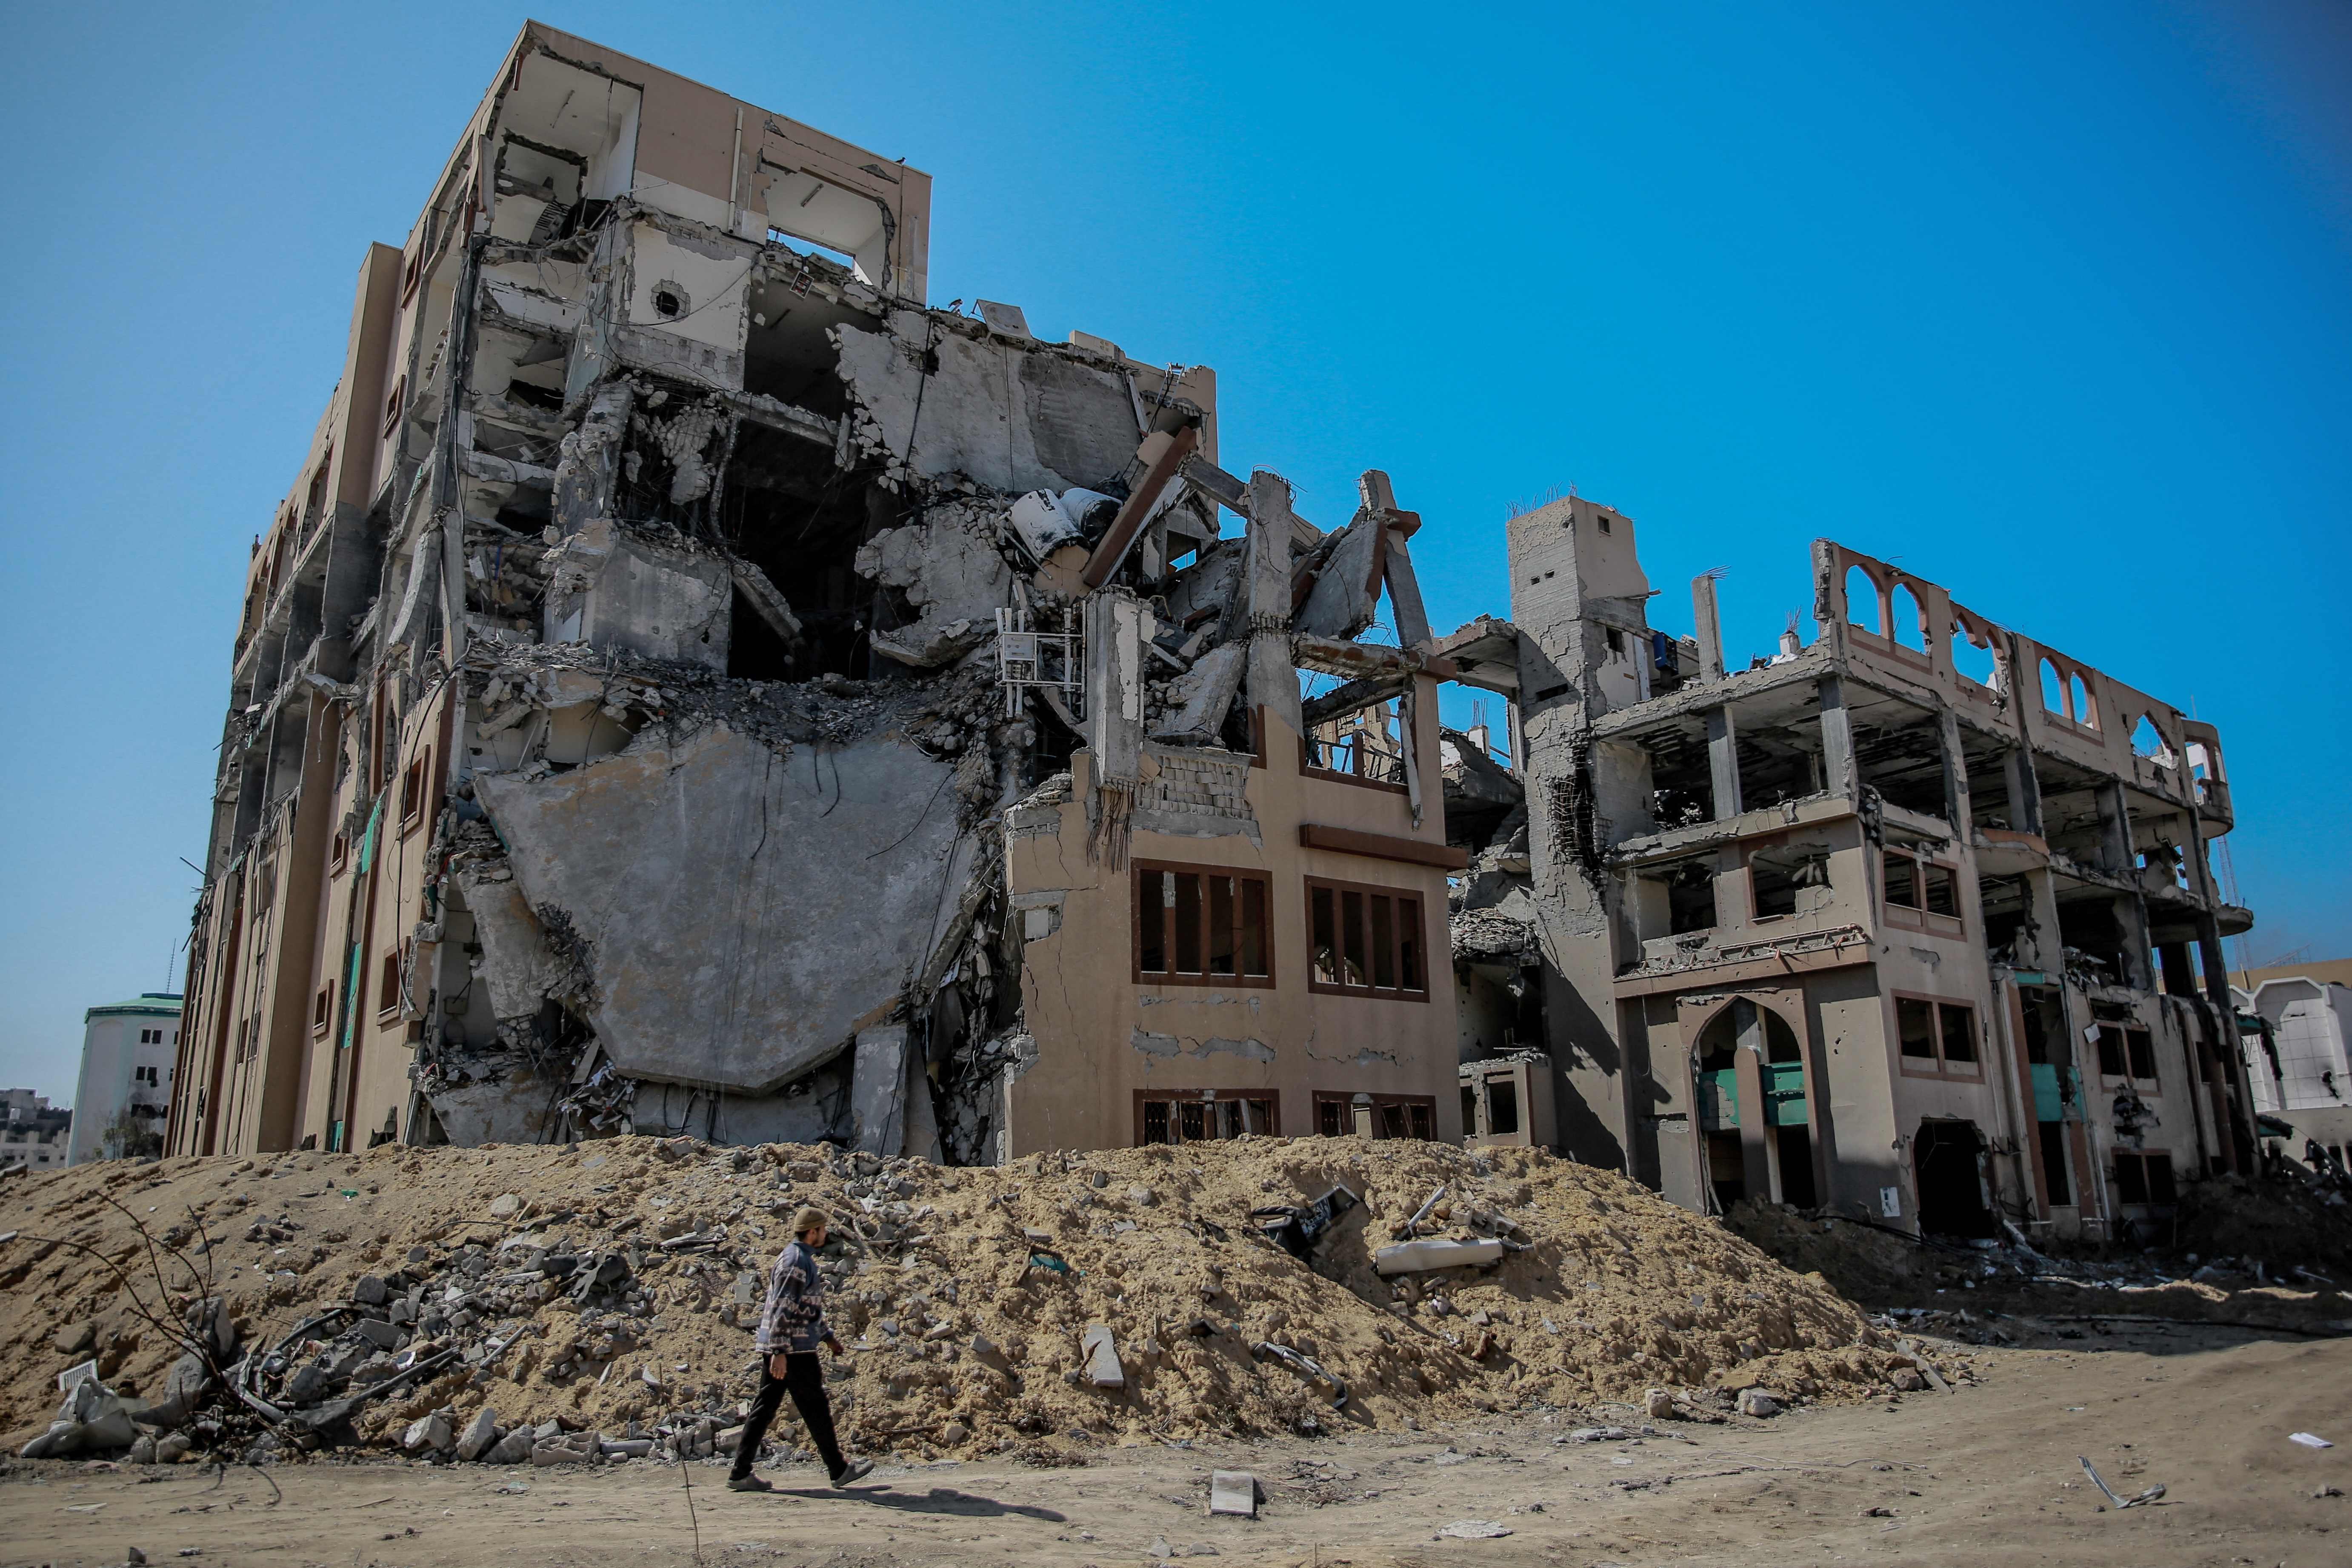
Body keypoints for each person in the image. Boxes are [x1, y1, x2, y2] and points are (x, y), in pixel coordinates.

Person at [728, 1206, 872, 1491]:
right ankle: (838, 1469)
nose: (825, 1235)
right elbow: (784, 1308)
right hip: (793, 1349)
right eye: (822, 1230)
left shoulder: (799, 1258)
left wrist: (827, 1337)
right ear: (812, 1231)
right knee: (815, 1406)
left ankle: (740, 1472)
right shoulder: (795, 1262)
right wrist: (779, 1352)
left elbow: (806, 1309)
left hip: (790, 1346)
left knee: (766, 1408)